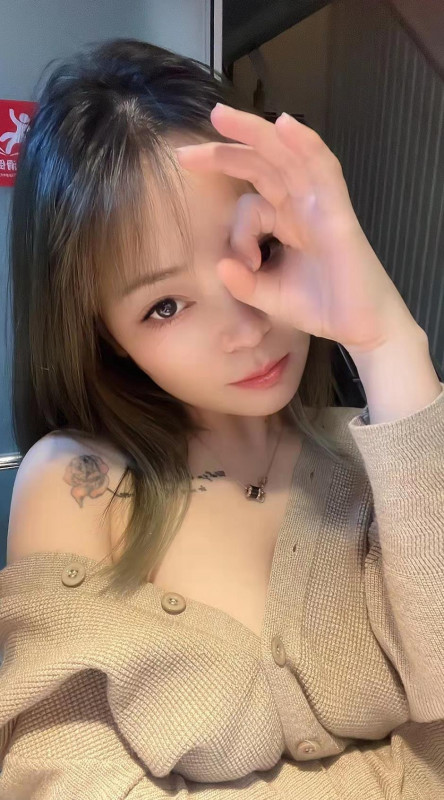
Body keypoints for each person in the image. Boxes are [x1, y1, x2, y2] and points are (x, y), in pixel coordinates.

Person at [0, 37, 443, 800]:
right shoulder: (80, 485)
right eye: (165, 305)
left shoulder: (389, 454)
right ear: (105, 333)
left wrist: (388, 342)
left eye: (261, 249)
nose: (244, 328)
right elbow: (62, 777)